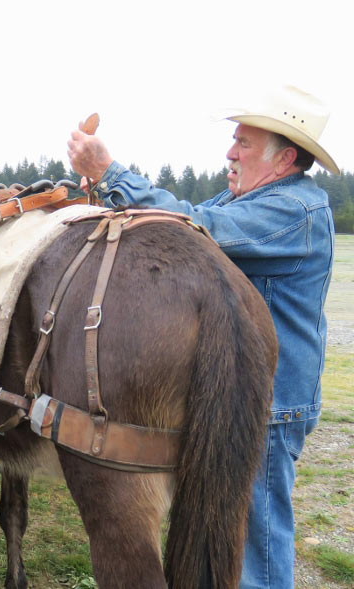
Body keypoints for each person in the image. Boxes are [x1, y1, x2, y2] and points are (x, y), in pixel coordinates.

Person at [67, 84, 337, 588]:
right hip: (239, 396)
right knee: (221, 538)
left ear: (286, 159)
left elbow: (193, 224)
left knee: (256, 549)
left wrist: (111, 174)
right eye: (234, 141)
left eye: (244, 144)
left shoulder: (297, 210)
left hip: (270, 406)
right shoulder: (253, 198)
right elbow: (183, 209)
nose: (230, 153)